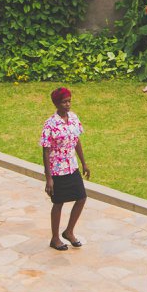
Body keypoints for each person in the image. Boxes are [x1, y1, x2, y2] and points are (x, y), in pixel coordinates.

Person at [40, 86, 90, 250]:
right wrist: (49, 179)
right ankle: (55, 239)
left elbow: (76, 141)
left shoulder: (74, 118)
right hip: (57, 170)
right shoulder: (50, 124)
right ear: (56, 103)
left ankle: (69, 231)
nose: (68, 105)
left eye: (69, 101)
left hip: (72, 166)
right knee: (59, 202)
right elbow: (46, 151)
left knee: (81, 197)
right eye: (64, 102)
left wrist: (84, 163)